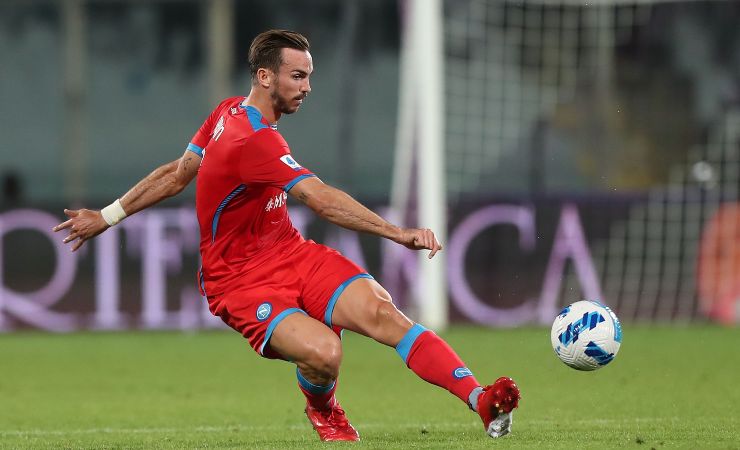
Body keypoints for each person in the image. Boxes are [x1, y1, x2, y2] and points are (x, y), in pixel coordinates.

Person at [53, 29, 520, 441]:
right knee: (325, 353)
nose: (307, 87)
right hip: (238, 282)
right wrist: (397, 233)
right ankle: (324, 409)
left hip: (291, 254)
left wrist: (107, 215)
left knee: (384, 314)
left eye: (308, 76)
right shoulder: (251, 138)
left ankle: (480, 400)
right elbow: (317, 198)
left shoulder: (227, 112)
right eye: (297, 76)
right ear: (264, 76)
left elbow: (179, 174)